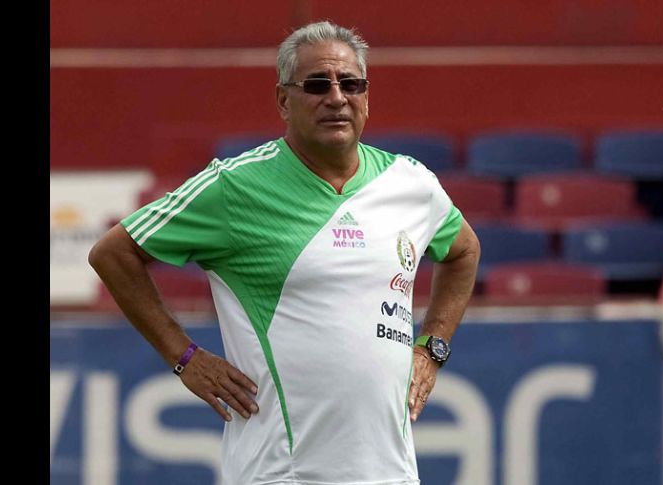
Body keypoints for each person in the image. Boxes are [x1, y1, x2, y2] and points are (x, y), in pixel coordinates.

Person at [89, 20, 480, 485]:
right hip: (281, 473)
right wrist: (186, 357)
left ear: (367, 97)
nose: (336, 97)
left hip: (391, 473)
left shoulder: (411, 183)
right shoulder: (232, 186)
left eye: (350, 83)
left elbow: (463, 251)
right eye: (317, 84)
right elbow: (113, 254)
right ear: (282, 100)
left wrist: (431, 348)